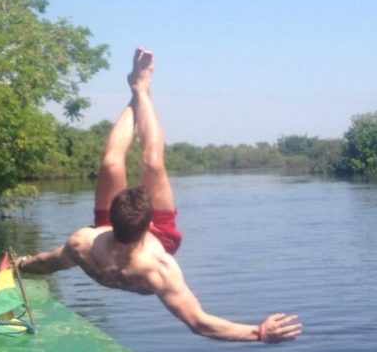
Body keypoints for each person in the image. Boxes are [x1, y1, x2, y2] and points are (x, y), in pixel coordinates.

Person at [16, 48, 302, 344]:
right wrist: (259, 333)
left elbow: (48, 262)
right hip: (138, 239)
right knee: (126, 162)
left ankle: (139, 91)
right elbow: (199, 323)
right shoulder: (100, 249)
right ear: (149, 225)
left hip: (137, 240)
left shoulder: (134, 259)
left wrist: (22, 263)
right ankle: (140, 91)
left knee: (138, 162)